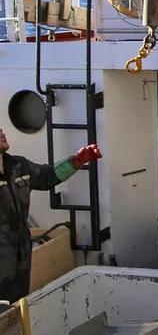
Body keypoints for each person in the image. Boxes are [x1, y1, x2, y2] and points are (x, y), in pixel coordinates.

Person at [0, 128, 101, 303]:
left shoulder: (18, 165)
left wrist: (77, 161)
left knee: (18, 300)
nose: (2, 132)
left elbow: (47, 176)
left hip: (21, 245)